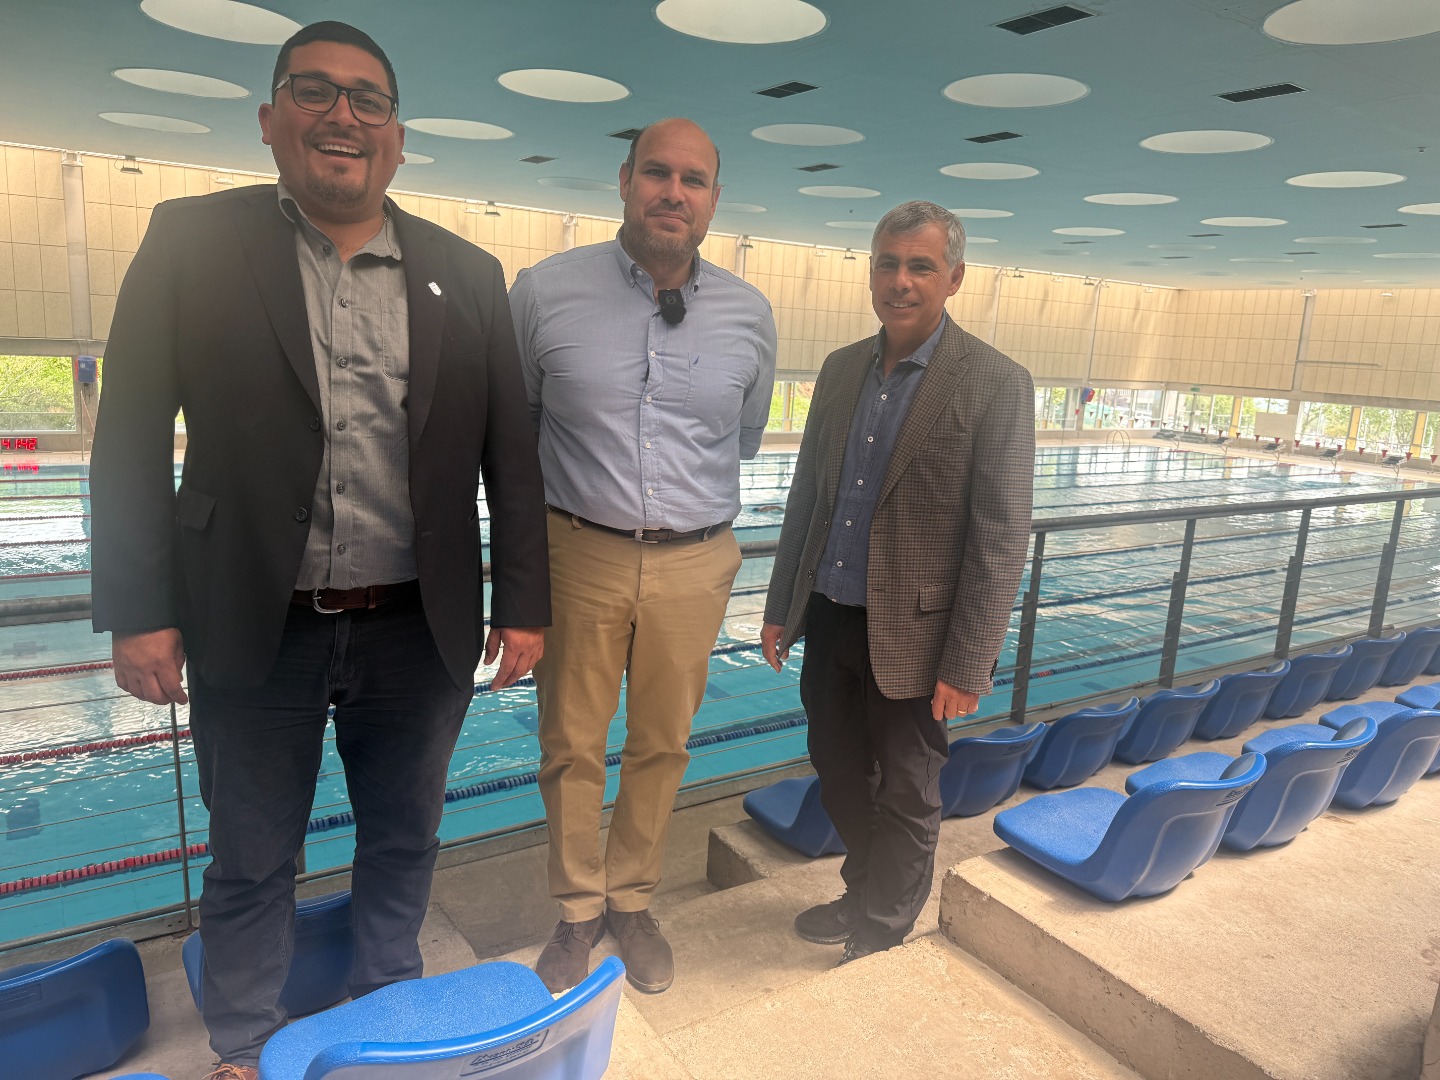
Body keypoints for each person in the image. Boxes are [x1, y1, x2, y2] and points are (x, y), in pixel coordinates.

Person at [89, 21, 549, 1079]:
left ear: (397, 139)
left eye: (367, 99)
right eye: (314, 92)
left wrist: (525, 603)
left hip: (416, 627)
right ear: (270, 121)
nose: (343, 116)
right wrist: (139, 609)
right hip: (257, 620)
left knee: (405, 836)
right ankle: (245, 1046)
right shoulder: (190, 241)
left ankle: (387, 1007)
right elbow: (130, 433)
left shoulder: (467, 273)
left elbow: (511, 455)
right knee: (253, 854)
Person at [510, 118, 776, 994]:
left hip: (696, 559)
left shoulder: (749, 313)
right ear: (625, 181)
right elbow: (514, 432)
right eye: (657, 173)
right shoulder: (544, 292)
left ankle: (631, 900)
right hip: (577, 549)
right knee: (571, 744)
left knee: (663, 742)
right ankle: (576, 912)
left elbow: (740, 439)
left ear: (713, 200)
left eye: (692, 180)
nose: (674, 192)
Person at [761, 201, 1034, 965]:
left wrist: (967, 662)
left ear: (954, 278)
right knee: (839, 772)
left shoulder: (995, 382)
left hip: (918, 632)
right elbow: (808, 499)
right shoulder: (841, 368)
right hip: (831, 614)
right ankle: (864, 891)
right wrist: (782, 607)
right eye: (888, 263)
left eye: (920, 266)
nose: (901, 281)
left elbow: (1000, 534)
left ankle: (883, 926)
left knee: (908, 789)